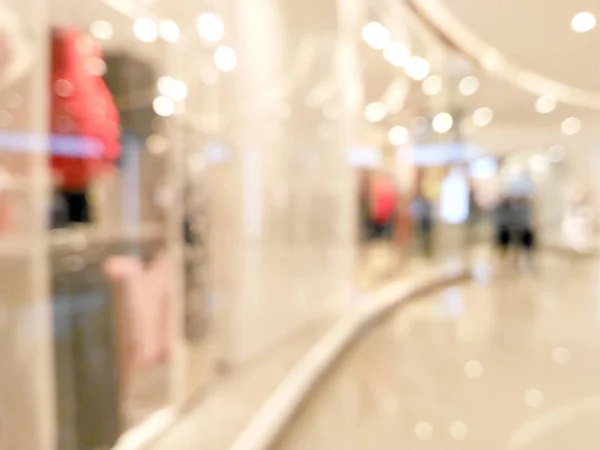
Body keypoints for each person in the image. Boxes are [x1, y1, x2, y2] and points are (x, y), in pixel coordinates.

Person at [411, 191, 433, 256]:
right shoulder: (417, 201)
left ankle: (426, 251)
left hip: (426, 222)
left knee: (426, 237)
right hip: (421, 221)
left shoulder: (427, 203)